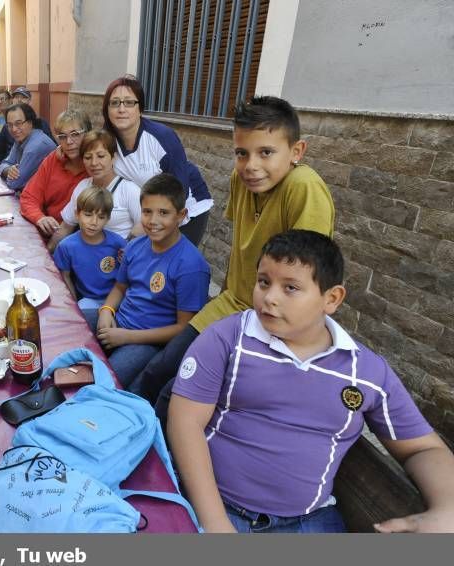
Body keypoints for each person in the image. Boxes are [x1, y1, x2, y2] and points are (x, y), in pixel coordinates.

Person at [168, 230, 454, 533]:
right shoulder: (229, 338)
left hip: (307, 521)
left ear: (331, 298)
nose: (269, 297)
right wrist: (215, 522)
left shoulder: (366, 372)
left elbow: (423, 448)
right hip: (216, 506)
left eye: (290, 287)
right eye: (264, 281)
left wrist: (447, 509)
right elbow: (185, 421)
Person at [138, 95, 336, 411]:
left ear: (296, 151)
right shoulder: (240, 180)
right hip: (233, 304)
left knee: (175, 394)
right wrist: (224, 297)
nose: (251, 165)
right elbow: (240, 247)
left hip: (270, 320)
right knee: (159, 368)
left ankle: (161, 456)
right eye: (242, 153)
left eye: (266, 152)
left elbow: (306, 278)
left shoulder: (304, 187)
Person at [85, 174, 210, 391]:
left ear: (181, 215)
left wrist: (126, 337)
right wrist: (106, 311)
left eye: (164, 213)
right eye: (147, 211)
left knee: (103, 382)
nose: (153, 221)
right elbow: (120, 287)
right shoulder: (135, 246)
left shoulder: (191, 266)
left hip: (146, 341)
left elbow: (183, 328)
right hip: (118, 321)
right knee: (69, 327)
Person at [103, 75, 213, 246]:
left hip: (184, 206)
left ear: (140, 109)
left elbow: (179, 187)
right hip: (150, 211)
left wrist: (151, 223)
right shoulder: (108, 141)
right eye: (115, 103)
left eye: (129, 102)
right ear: (107, 109)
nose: (121, 109)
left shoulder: (162, 137)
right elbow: (88, 152)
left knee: (173, 263)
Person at [49, 129, 143, 249]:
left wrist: (128, 250)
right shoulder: (83, 186)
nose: (94, 163)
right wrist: (47, 253)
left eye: (101, 156)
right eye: (88, 157)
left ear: (113, 157)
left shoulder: (130, 190)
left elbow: (143, 228)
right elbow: (66, 227)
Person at [53, 186, 127, 313]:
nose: (94, 222)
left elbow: (129, 275)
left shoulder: (118, 243)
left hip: (119, 298)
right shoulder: (66, 246)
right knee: (80, 315)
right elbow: (65, 277)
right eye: (88, 215)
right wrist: (74, 305)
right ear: (77, 214)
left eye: (101, 217)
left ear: (108, 219)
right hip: (89, 300)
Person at [19, 109, 91, 237]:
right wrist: (39, 217)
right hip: (49, 232)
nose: (69, 142)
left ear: (87, 134)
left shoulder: (95, 166)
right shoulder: (53, 160)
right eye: (62, 137)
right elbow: (29, 197)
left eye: (75, 134)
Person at [0, 87, 54, 162]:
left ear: (29, 101)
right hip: (8, 163)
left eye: (23, 97)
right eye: (16, 97)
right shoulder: (7, 124)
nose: (19, 100)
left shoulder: (40, 123)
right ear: (12, 100)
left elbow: (51, 147)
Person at [0, 103, 57, 192]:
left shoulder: (35, 146)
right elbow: (5, 163)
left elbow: (14, 183)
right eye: (10, 125)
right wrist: (8, 170)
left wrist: (6, 172)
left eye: (18, 123)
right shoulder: (21, 137)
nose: (14, 129)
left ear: (30, 122)